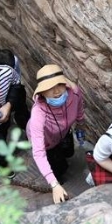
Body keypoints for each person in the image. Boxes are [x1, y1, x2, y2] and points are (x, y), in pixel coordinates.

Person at [26, 64, 85, 204]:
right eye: (49, 87)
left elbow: (79, 109)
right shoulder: (38, 114)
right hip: (47, 142)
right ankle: (58, 177)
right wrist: (54, 184)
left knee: (68, 152)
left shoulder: (74, 93)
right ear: (42, 92)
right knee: (57, 166)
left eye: (59, 84)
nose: (56, 91)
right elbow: (39, 153)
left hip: (63, 132)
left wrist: (81, 126)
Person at [0, 48, 30, 129]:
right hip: (1, 92)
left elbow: (17, 77)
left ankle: (23, 123)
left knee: (22, 109)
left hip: (14, 87)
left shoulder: (15, 60)